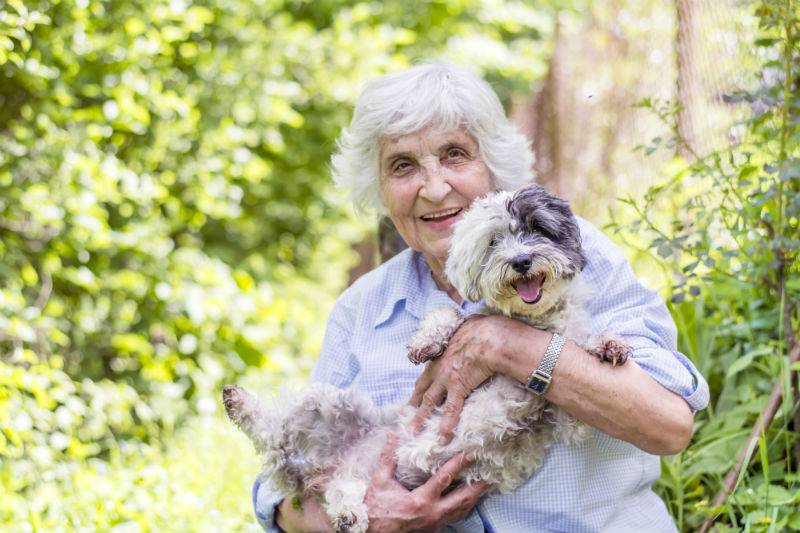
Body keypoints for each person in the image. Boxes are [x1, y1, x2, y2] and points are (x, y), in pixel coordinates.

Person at [252, 61, 709, 533]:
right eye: (403, 165)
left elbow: (668, 424)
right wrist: (372, 523)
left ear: (492, 164)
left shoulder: (574, 252)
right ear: (380, 188)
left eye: (454, 154)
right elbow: (280, 495)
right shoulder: (364, 305)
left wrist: (509, 346)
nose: (434, 188)